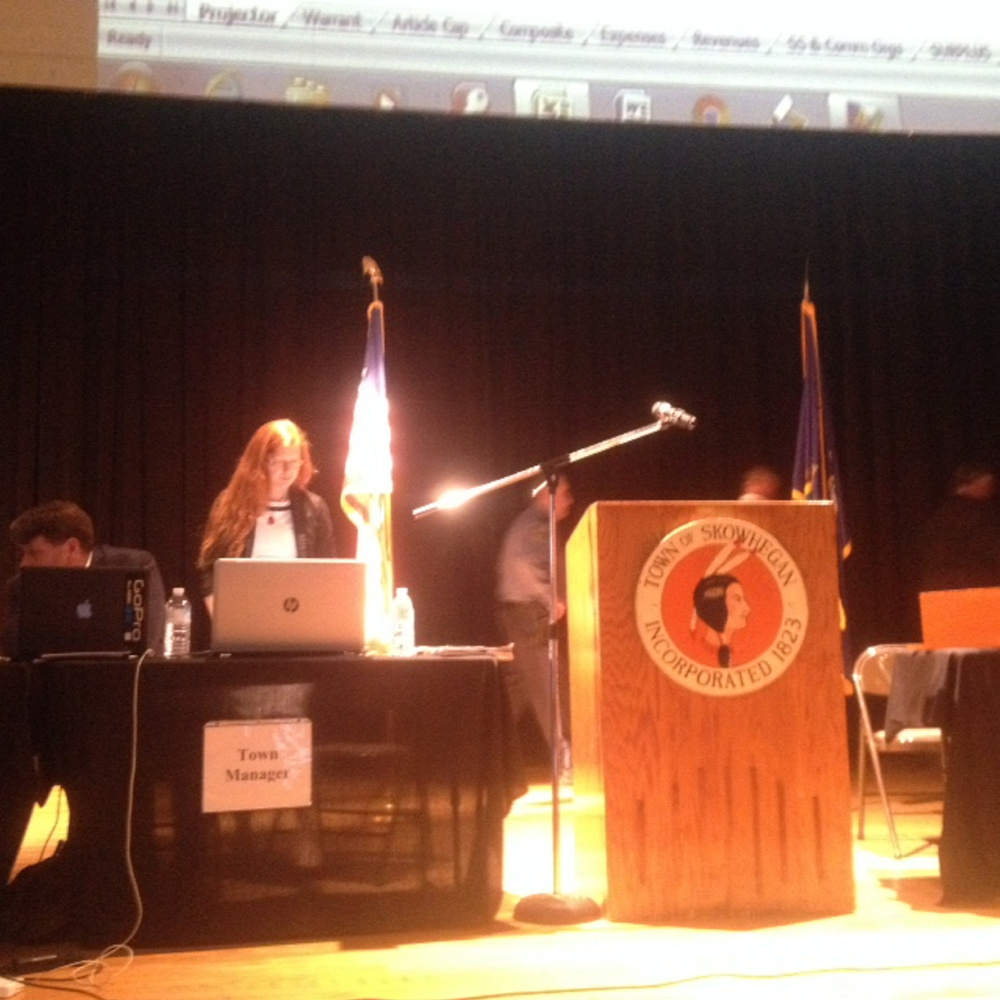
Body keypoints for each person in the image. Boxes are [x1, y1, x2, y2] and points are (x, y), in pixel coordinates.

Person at [197, 418, 335, 614]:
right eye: (279, 462)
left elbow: (329, 574)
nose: (288, 470)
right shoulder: (229, 504)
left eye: (294, 462)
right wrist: (224, 620)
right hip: (244, 615)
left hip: (298, 616)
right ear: (260, 462)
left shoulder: (314, 508)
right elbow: (209, 572)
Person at [2, 500, 166, 656]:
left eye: (33, 553)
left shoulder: (135, 567)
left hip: (126, 679)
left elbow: (147, 639)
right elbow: (15, 648)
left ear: (71, 547)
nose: (24, 563)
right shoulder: (21, 585)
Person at [496, 473, 574, 776]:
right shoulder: (536, 528)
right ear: (546, 496)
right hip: (528, 616)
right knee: (549, 688)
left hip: (520, 614)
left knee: (516, 693)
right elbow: (524, 566)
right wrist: (551, 599)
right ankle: (566, 762)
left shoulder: (537, 525)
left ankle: (480, 755)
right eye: (565, 493)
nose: (570, 500)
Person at [920, 464, 1000, 592]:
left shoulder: (940, 515)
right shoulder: (977, 514)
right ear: (973, 484)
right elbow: (992, 545)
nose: (990, 489)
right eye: (987, 483)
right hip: (974, 588)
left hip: (937, 589)